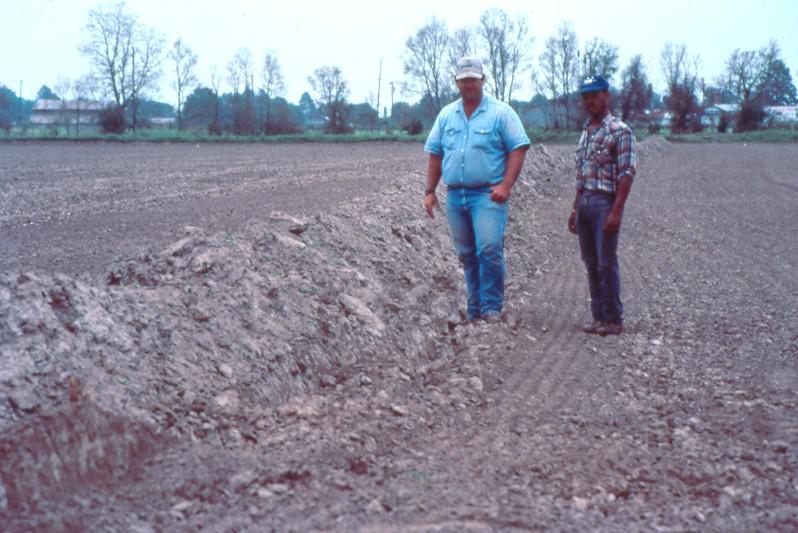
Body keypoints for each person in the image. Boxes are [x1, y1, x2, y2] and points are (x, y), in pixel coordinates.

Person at [423, 57, 531, 323]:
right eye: (464, 80)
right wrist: (429, 190)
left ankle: (491, 307)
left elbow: (519, 147)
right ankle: (474, 308)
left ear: (483, 80)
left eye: (474, 79)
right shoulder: (447, 115)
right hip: (455, 196)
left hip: (487, 195)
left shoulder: (501, 113)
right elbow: (435, 153)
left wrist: (506, 185)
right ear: (457, 83)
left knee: (489, 249)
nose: (469, 84)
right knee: (467, 254)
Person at [568, 75, 637, 336]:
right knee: (590, 261)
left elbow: (626, 174)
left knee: (606, 262)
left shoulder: (620, 131)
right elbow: (582, 175)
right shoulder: (586, 133)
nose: (590, 102)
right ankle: (598, 316)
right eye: (586, 97)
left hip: (604, 203)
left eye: (595, 96)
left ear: (606, 95)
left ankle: (613, 319)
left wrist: (616, 211)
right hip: (585, 201)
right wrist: (575, 209)